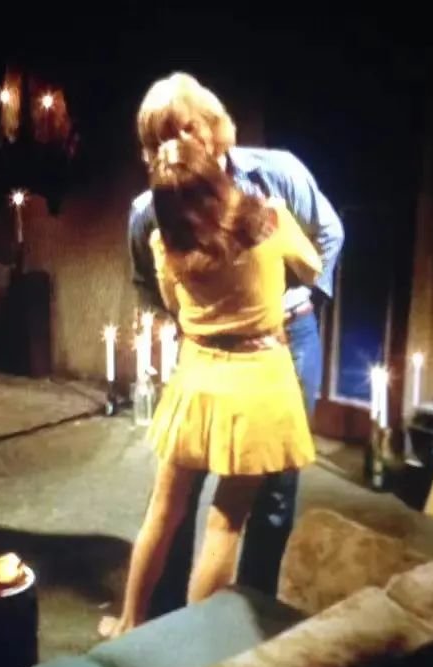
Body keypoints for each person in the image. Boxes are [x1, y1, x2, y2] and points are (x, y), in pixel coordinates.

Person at [127, 73, 345, 614]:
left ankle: (245, 614)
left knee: (272, 496)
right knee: (180, 500)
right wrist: (208, 317)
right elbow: (149, 283)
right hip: (205, 352)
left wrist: (289, 298)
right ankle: (162, 622)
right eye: (160, 138)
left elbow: (329, 235)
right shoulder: (150, 209)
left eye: (185, 128)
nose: (177, 144)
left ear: (212, 123)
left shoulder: (277, 174)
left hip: (285, 338)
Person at [103, 136, 323, 638]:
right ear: (214, 176)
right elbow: (311, 268)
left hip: (197, 379)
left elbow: (172, 303)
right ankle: (193, 647)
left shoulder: (165, 244)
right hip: (259, 382)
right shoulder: (268, 218)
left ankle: (130, 625)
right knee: (225, 523)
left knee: (163, 511)